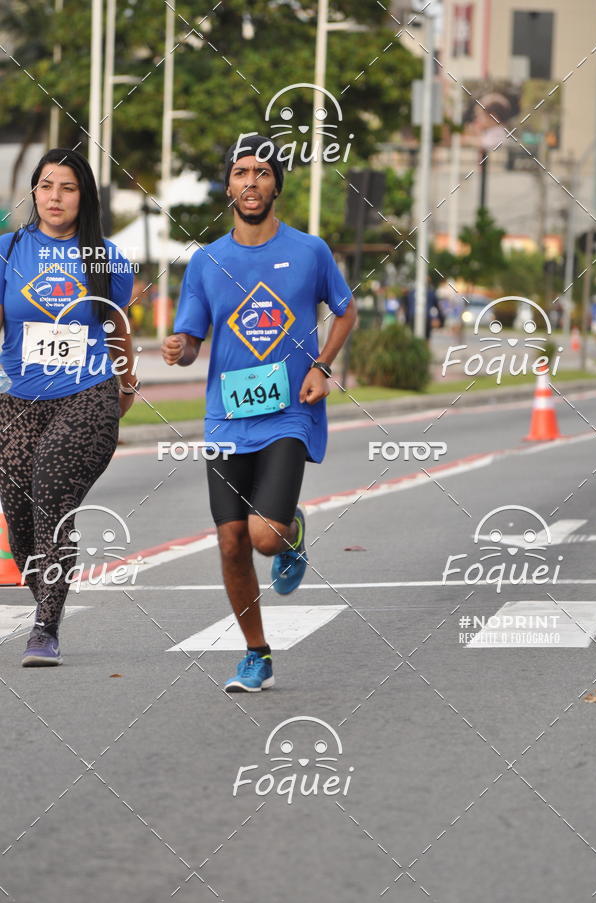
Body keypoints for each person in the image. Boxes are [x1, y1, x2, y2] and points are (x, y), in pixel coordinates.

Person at [162, 134, 357, 692]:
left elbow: (345, 312)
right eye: (242, 172)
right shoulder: (206, 262)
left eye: (263, 173)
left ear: (276, 185)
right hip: (226, 418)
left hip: (286, 413)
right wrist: (180, 350)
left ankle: (291, 533)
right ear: (228, 185)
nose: (252, 182)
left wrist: (321, 365)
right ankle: (257, 653)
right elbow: (191, 339)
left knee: (264, 537)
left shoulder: (310, 252)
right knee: (230, 543)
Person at [0, 148, 136, 667]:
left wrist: (126, 385)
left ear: (85, 198)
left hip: (87, 394)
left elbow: (116, 324)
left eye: (68, 188)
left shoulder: (105, 256)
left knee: (52, 494)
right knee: (20, 519)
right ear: (34, 192)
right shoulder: (9, 250)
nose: (55, 197)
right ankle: (45, 592)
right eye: (46, 186)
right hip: (17, 401)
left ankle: (45, 628)